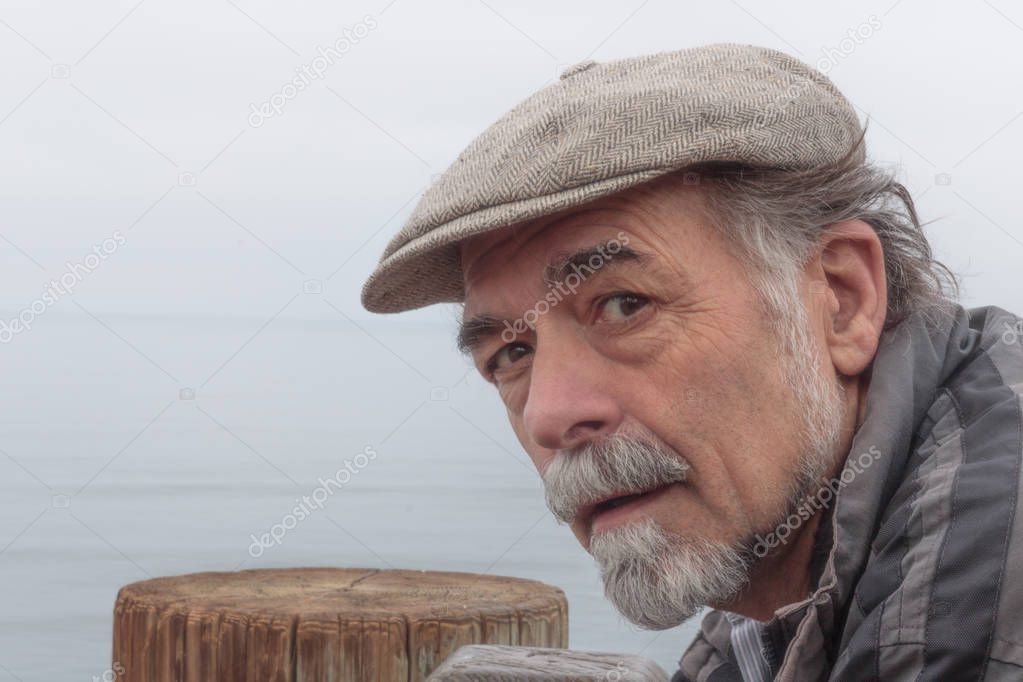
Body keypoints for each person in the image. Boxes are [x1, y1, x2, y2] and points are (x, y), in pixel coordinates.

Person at [361, 43, 1023, 680]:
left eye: (623, 305)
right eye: (510, 352)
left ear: (841, 300)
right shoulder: (773, 587)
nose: (548, 415)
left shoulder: (976, 599)